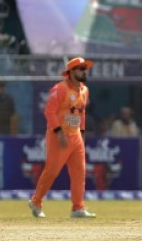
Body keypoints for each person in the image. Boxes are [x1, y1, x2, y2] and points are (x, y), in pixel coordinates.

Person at [28, 57, 97, 219]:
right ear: (71, 72)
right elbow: (49, 112)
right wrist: (59, 132)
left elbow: (82, 112)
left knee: (79, 172)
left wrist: (82, 133)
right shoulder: (60, 89)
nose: (83, 71)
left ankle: (78, 207)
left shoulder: (84, 91)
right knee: (52, 171)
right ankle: (36, 202)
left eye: (84, 68)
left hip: (76, 136)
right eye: (80, 68)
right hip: (59, 136)